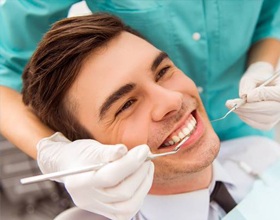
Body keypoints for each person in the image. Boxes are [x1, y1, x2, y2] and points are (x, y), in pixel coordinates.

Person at [0, 0, 280, 218]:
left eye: (163, 71)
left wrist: (263, 66)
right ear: (87, 146)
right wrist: (55, 152)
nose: (171, 101)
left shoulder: (264, 157)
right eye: (126, 105)